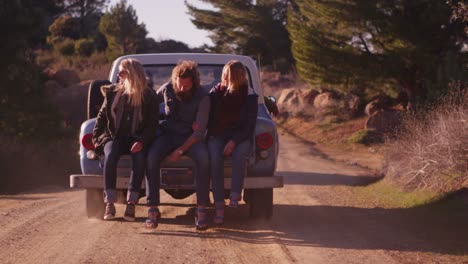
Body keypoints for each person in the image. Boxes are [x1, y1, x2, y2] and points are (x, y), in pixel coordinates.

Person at [146, 60, 211, 230]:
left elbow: (199, 131)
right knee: (151, 157)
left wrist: (181, 151)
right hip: (168, 135)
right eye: (179, 84)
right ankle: (152, 209)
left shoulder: (203, 96)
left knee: (204, 159)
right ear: (174, 80)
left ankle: (202, 208)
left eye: (186, 85)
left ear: (194, 83)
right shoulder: (167, 88)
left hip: (190, 138)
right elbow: (150, 102)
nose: (181, 89)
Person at [92, 58, 158, 221]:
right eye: (119, 72)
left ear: (132, 74)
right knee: (111, 154)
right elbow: (101, 118)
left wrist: (141, 141)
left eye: (122, 72)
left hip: (136, 138)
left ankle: (131, 203)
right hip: (114, 136)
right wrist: (96, 138)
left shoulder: (148, 96)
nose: (119, 75)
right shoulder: (113, 92)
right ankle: (110, 202)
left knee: (139, 157)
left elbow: (152, 125)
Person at [207, 60, 258, 225]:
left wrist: (234, 141)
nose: (225, 78)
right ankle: (219, 206)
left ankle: (235, 196)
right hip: (218, 134)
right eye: (224, 74)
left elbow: (249, 125)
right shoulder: (215, 93)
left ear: (237, 77)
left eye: (228, 75)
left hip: (240, 135)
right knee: (215, 160)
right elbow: (211, 120)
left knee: (239, 155)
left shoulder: (249, 96)